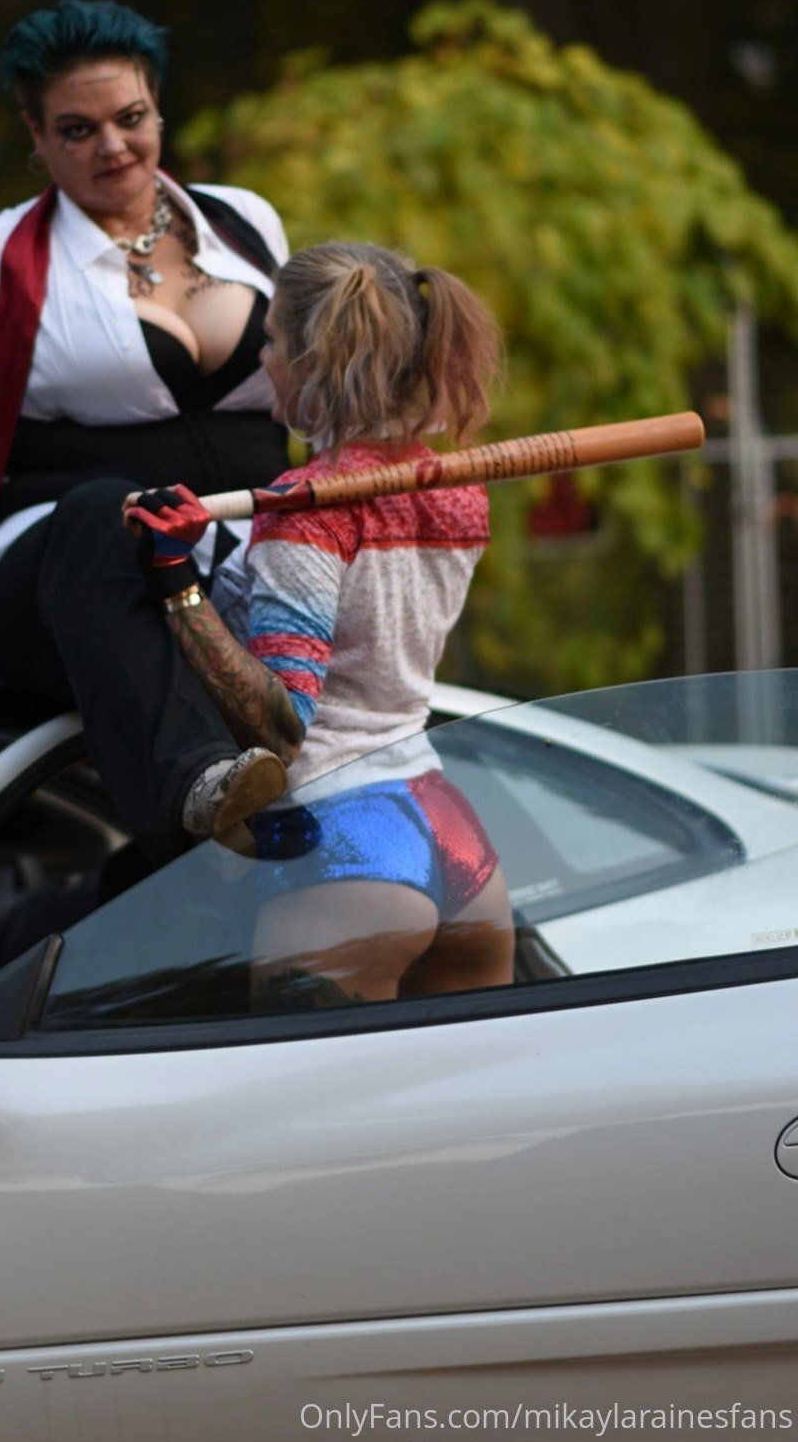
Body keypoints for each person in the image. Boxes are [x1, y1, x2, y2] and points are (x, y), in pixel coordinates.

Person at [61, 241, 514, 1000]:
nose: (261, 358)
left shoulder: (305, 511)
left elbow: (279, 722)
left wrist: (177, 584)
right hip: (451, 831)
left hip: (344, 837)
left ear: (313, 361)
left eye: (271, 341)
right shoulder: (460, 494)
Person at [0, 0, 290, 702]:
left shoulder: (244, 219)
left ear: (157, 106)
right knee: (109, 511)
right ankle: (198, 764)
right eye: (77, 130)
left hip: (253, 563)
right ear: (35, 134)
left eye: (131, 118)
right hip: (64, 582)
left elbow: (316, 393)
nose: (113, 146)